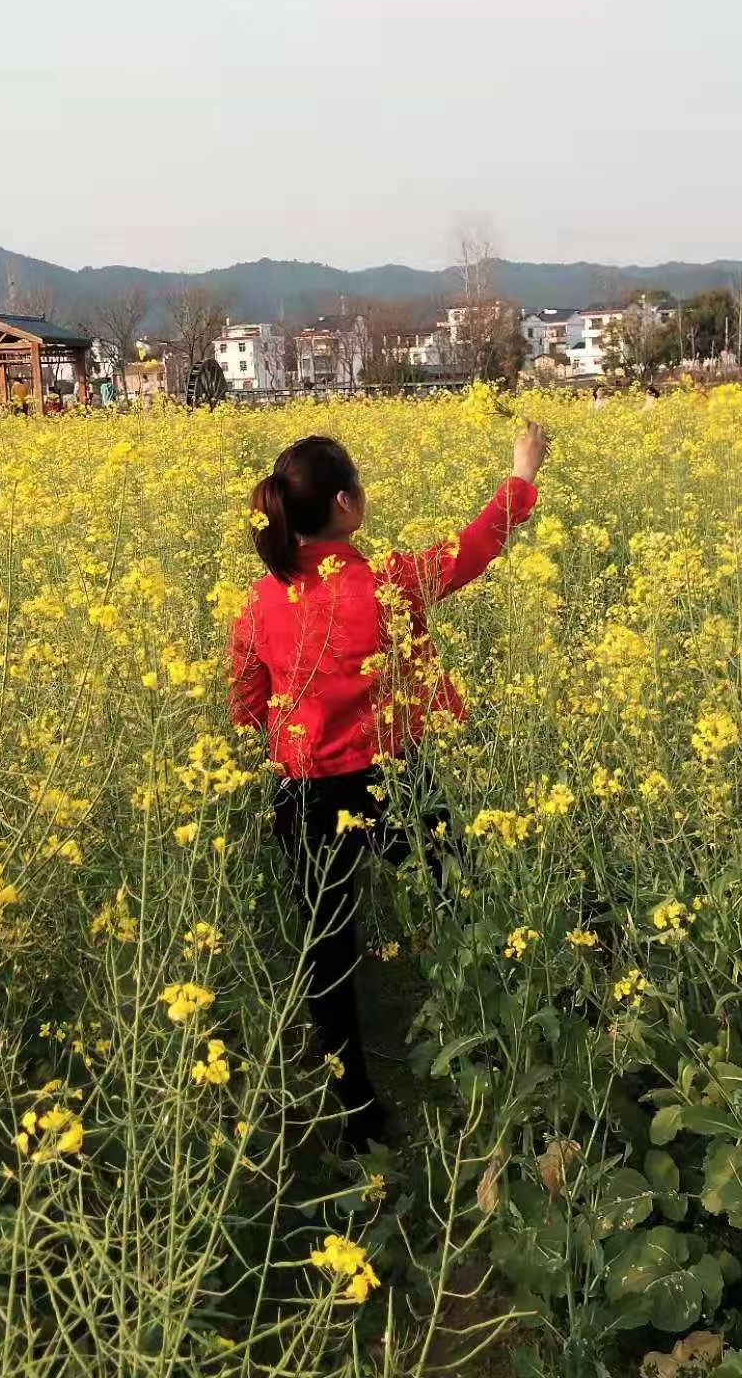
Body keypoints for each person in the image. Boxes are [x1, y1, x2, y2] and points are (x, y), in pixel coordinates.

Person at [229, 425, 548, 1148]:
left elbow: (247, 707)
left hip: (304, 794)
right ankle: (498, 1049)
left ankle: (355, 1116)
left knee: (328, 952)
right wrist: (521, 473)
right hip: (393, 781)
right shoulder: (389, 585)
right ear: (347, 504)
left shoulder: (255, 605)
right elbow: (473, 549)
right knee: (460, 899)